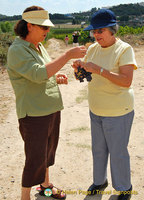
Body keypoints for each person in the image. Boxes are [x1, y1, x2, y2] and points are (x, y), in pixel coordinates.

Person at [7, 5, 86, 200]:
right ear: (29, 26)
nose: (47, 31)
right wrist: (67, 55)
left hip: (50, 108)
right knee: (35, 158)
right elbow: (38, 73)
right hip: (33, 113)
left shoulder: (39, 47)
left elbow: (45, 73)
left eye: (48, 27)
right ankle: (25, 196)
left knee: (48, 153)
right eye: (43, 27)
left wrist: (55, 76)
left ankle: (45, 187)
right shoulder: (17, 50)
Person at [73, 9, 137, 200]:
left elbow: (127, 81)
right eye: (94, 31)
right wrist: (79, 71)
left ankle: (124, 188)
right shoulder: (92, 49)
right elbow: (87, 74)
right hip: (96, 109)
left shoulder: (124, 49)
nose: (96, 35)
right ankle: (100, 181)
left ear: (112, 30)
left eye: (100, 31)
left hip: (118, 112)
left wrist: (99, 69)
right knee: (98, 150)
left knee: (118, 153)